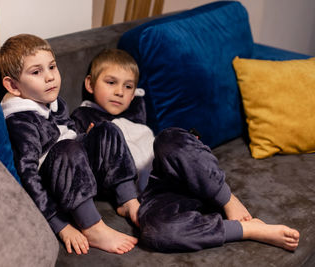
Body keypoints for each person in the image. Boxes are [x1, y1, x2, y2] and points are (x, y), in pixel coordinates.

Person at [70, 48, 300, 252]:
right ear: (90, 84)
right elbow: (74, 159)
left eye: (128, 86)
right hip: (151, 193)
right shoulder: (83, 118)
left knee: (169, 138)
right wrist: (89, 139)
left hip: (175, 167)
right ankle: (247, 229)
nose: (120, 92)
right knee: (156, 233)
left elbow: (173, 143)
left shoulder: (135, 111)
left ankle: (228, 199)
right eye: (111, 83)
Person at [0, 35, 140, 255]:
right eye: (37, 72)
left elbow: (69, 132)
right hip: (58, 189)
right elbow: (27, 175)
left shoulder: (54, 101)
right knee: (67, 148)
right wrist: (60, 225)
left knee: (106, 129)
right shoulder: (20, 121)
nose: (49, 77)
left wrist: (89, 139)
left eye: (52, 67)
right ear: (13, 85)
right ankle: (92, 226)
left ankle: (127, 199)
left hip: (81, 174)